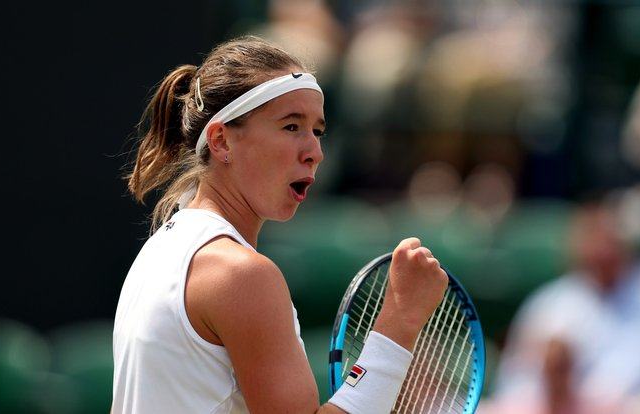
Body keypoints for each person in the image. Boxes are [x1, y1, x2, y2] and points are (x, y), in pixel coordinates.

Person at [111, 36, 448, 414]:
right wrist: (401, 317)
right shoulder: (240, 275)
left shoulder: (158, 252)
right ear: (221, 141)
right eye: (291, 127)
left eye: (317, 131)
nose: (315, 152)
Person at [485, 197, 640, 414]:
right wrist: (555, 388)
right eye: (592, 239)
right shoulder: (549, 304)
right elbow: (514, 386)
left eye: (608, 240)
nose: (602, 251)